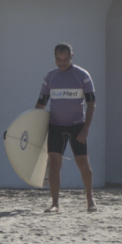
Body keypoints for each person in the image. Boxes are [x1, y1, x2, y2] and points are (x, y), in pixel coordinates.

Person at [36, 43, 97, 213]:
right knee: (54, 166)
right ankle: (55, 204)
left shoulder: (82, 76)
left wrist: (85, 129)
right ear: (54, 57)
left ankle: (90, 200)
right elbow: (41, 104)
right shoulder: (50, 77)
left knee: (83, 164)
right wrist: (33, 127)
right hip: (55, 126)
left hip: (77, 126)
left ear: (72, 56)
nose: (61, 63)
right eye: (58, 59)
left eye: (65, 59)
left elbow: (92, 104)